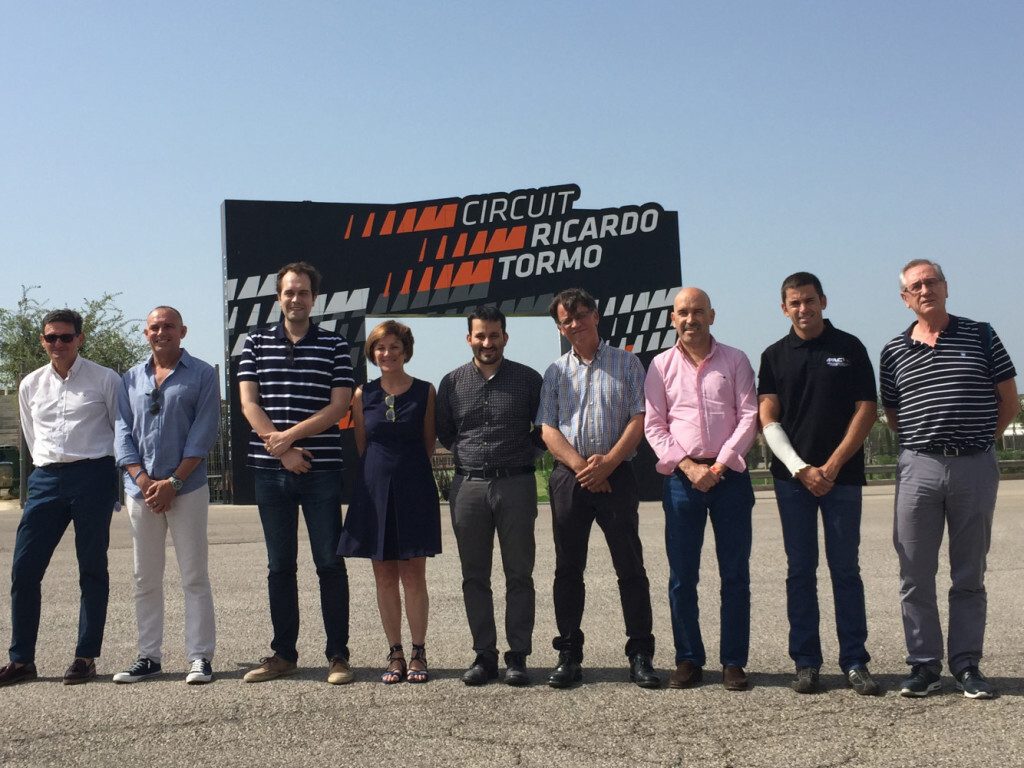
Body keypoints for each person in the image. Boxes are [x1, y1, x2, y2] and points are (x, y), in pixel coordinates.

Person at [880, 259, 1018, 699]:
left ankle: (966, 665)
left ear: (945, 287)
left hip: (973, 465)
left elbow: (1009, 402)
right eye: (916, 286)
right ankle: (924, 665)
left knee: (969, 571)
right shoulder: (893, 351)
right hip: (918, 466)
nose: (925, 290)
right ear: (905, 298)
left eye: (931, 281)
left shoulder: (982, 335)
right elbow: (894, 415)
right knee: (914, 571)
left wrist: (976, 442)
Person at [757, 273, 880, 696]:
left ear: (823, 301)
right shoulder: (773, 355)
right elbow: (767, 415)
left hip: (841, 478)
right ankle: (806, 662)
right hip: (793, 482)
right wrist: (800, 468)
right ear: (784, 308)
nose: (803, 309)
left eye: (809, 300)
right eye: (794, 303)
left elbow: (867, 409)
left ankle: (855, 661)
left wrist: (831, 465)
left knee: (845, 570)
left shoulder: (850, 347)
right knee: (800, 570)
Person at [536, 287, 659, 689]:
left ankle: (640, 654)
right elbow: (547, 427)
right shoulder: (555, 372)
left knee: (630, 567)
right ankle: (569, 654)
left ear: (595, 316)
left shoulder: (627, 362)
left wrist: (608, 463)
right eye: (566, 320)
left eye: (580, 315)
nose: (574, 324)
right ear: (560, 327)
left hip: (617, 475)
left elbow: (639, 417)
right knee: (568, 569)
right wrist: (582, 468)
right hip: (570, 478)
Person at [238, 261, 355, 685]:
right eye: (289, 292)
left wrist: (288, 438)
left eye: (303, 292)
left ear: (314, 298)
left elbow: (339, 406)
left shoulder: (334, 345)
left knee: (329, 564)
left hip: (321, 471)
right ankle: (284, 654)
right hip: (271, 472)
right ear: (278, 297)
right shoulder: (255, 343)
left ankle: (338, 656)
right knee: (279, 567)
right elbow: (249, 403)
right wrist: (283, 451)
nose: (296, 299)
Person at [644, 288, 757, 692]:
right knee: (682, 576)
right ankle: (688, 658)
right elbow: (654, 425)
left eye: (697, 311)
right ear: (672, 319)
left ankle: (733, 661)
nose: (690, 319)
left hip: (730, 478)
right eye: (683, 313)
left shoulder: (736, 360)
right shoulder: (660, 366)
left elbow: (749, 416)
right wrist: (690, 467)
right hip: (682, 480)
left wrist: (720, 464)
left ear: (712, 315)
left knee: (735, 574)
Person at [0, 309, 120, 687]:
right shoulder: (31, 384)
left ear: (79, 339)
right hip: (46, 478)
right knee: (24, 569)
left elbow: (120, 430)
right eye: (51, 337)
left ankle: (85, 656)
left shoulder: (105, 379)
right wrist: (46, 467)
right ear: (42, 341)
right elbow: (31, 434)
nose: (58, 343)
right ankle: (22, 660)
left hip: (93, 476)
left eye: (66, 337)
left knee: (92, 568)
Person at [436, 305, 543, 687]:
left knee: (519, 574)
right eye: (480, 335)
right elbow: (446, 431)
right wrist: (468, 456)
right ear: (469, 338)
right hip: (468, 487)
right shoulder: (451, 382)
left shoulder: (528, 379)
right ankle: (484, 656)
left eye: (494, 335)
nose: (487, 342)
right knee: (474, 576)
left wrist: (521, 455)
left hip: (516, 484)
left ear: (505, 337)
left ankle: (518, 656)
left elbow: (543, 428)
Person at [112, 306, 220, 685]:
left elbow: (204, 432)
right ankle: (148, 657)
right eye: (155, 328)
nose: (161, 333)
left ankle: (200, 657)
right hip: (141, 492)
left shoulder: (203, 375)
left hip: (187, 490)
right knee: (145, 577)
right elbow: (122, 432)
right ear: (146, 334)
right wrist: (144, 481)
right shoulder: (130, 378)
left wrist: (173, 482)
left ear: (182, 331)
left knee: (194, 575)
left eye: (168, 326)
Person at [338, 321, 440, 684]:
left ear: (405, 351)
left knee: (413, 575)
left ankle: (418, 652)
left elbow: (428, 443)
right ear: (373, 352)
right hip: (374, 490)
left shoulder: (426, 391)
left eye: (395, 347)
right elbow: (362, 444)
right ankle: (395, 653)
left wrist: (404, 472)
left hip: (414, 488)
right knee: (383, 576)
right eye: (381, 347)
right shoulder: (361, 394)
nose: (387, 353)